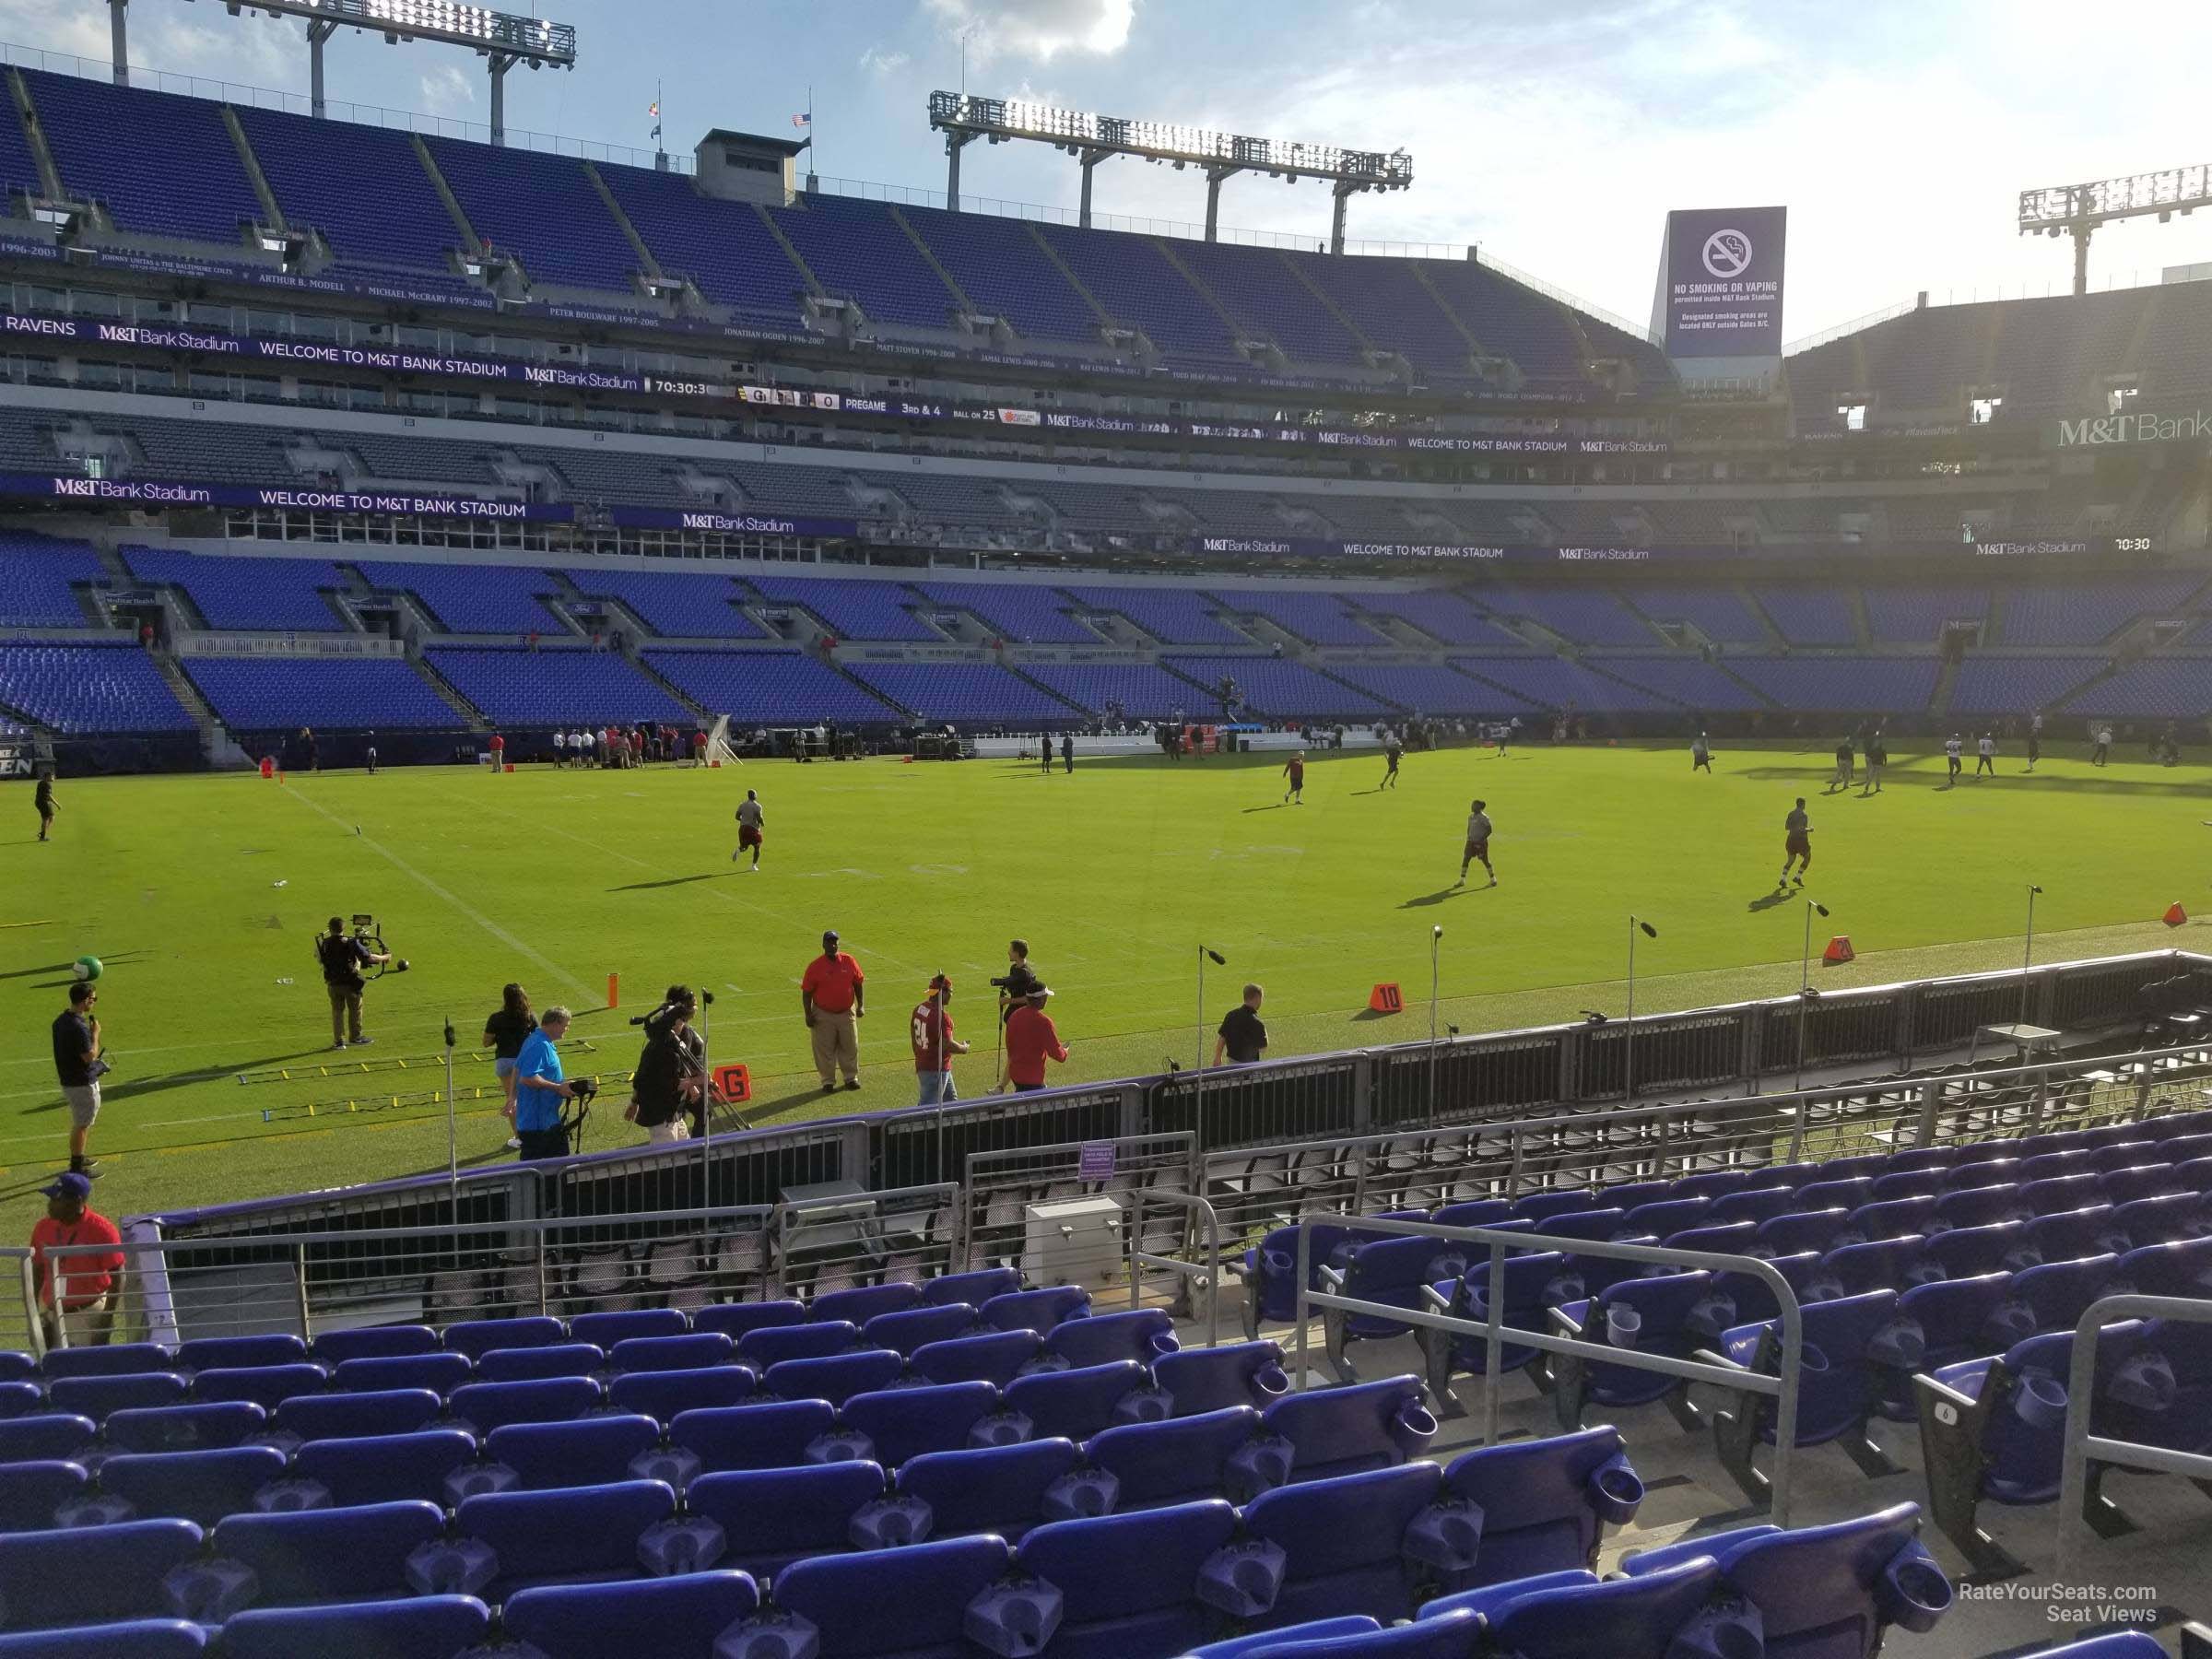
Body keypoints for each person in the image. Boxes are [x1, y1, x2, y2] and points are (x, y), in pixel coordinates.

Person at [29, 1173, 122, 1350]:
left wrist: (105, 1321)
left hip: (87, 1314)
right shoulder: (43, 1227)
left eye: (56, 1199)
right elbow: (38, 1269)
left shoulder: (102, 1229)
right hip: (52, 1314)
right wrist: (34, 1314)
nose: (49, 1205)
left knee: (85, 1372)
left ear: (76, 1202)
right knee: (53, 1372)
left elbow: (118, 1277)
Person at [629, 986, 705, 1145]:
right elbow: (667, 1084)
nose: (681, 1024)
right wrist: (694, 1082)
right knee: (667, 1162)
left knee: (684, 1153)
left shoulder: (669, 1042)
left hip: (673, 1112)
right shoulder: (664, 1049)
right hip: (661, 1114)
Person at [800, 930, 865, 1093]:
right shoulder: (815, 967)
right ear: (823, 945)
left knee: (850, 1045)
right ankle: (827, 1081)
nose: (833, 945)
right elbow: (807, 992)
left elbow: (858, 983)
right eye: (829, 942)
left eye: (835, 942)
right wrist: (808, 1014)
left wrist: (861, 1005)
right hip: (823, 1013)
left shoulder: (849, 961)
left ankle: (851, 1078)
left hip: (846, 1011)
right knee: (824, 1049)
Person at [52, 981, 102, 1178]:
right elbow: (90, 1056)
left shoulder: (60, 1020)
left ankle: (79, 1157)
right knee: (82, 1124)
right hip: (81, 1083)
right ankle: (76, 1166)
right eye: (93, 999)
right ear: (85, 1000)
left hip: (69, 1078)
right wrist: (95, 1034)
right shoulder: (78, 1027)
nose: (94, 1002)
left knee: (81, 1123)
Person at [512, 1006, 577, 1159]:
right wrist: (558, 1088)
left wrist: (511, 1097)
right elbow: (528, 1078)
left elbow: (516, 1067)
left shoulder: (536, 1040)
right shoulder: (540, 1045)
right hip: (539, 1126)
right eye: (565, 1025)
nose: (566, 1029)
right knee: (552, 1170)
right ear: (554, 1023)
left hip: (540, 1122)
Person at [315, 916, 386, 1050]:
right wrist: (385, 957)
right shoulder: (351, 942)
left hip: (333, 984)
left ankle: (338, 1042)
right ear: (343, 928)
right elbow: (369, 957)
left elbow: (320, 959)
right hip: (350, 983)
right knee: (355, 1010)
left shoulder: (323, 943)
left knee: (337, 1012)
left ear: (330, 929)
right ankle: (355, 1037)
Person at [482, 983, 536, 1153]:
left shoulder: (496, 1018)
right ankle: (534, 1133)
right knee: (529, 1098)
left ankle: (519, 1138)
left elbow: (486, 1042)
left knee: (512, 1099)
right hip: (525, 1061)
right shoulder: (529, 1017)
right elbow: (537, 1039)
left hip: (505, 1062)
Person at [912, 973, 969, 1106]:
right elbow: (947, 1044)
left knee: (952, 1102)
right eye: (951, 991)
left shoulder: (919, 1009)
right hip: (936, 1069)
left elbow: (913, 1037)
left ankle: (952, 1127)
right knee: (927, 1108)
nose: (952, 995)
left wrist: (920, 1055)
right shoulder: (942, 1017)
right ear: (943, 993)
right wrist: (963, 1048)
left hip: (926, 1064)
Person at [1004, 990, 1068, 1093]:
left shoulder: (1014, 1015)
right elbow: (1058, 1055)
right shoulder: (1044, 1022)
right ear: (1042, 999)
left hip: (1016, 1076)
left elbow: (1009, 1045)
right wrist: (1064, 1051)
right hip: (1033, 1080)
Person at [1213, 983, 1267, 1067]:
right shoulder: (1257, 1022)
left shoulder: (1231, 1015)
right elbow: (1263, 1048)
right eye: (1261, 998)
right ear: (1257, 997)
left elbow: (1222, 1038)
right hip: (1250, 1066)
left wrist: (1218, 1057)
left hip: (1232, 1065)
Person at [992, 939, 1042, 1026]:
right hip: (1014, 1012)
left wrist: (1008, 1000)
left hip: (1023, 1015)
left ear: (1017, 953)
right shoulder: (1014, 968)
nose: (1008, 952)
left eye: (1011, 950)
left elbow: (1029, 998)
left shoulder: (1025, 973)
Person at [1459, 798, 1496, 887]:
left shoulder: (1484, 817)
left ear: (1479, 807)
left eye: (1474, 805)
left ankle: (1493, 880)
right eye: (1472, 805)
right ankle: (1462, 880)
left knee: (1485, 860)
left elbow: (1489, 830)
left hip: (1480, 843)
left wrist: (1482, 839)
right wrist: (1469, 837)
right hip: (1470, 842)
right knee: (1466, 859)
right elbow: (1469, 828)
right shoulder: (1470, 817)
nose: (1472, 806)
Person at [1781, 797, 1812, 888]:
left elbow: (1786, 827)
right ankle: (1798, 877)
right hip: (1800, 841)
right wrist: (1810, 829)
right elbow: (1802, 829)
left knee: (1790, 860)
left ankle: (1783, 879)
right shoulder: (1803, 816)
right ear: (1802, 805)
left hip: (1790, 840)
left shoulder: (1791, 814)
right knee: (1807, 858)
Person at [733, 788, 765, 871]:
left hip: (743, 828)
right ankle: (753, 866)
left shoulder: (742, 805)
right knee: (757, 847)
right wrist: (762, 823)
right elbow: (759, 817)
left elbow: (737, 816)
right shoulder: (757, 806)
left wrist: (743, 821)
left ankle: (738, 850)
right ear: (755, 796)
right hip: (753, 829)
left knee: (744, 846)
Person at [1863, 727, 1887, 794]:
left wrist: (1871, 761)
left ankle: (1866, 788)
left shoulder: (1873, 749)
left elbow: (1870, 755)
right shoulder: (1882, 749)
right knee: (1878, 777)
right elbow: (1885, 756)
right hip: (1879, 764)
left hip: (1874, 763)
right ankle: (1877, 788)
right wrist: (1885, 763)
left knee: (1870, 776)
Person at [33, 766, 55, 841]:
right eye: (51, 776)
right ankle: (42, 836)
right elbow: (49, 796)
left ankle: (42, 833)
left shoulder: (40, 782)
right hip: (44, 803)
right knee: (47, 819)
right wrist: (57, 804)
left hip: (38, 802)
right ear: (47, 777)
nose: (53, 777)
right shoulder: (47, 784)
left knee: (50, 818)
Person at [1382, 725, 1403, 789]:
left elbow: (1385, 753)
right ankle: (1383, 783)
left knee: (1396, 772)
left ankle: (1391, 782)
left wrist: (1387, 759)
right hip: (1393, 763)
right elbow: (1400, 757)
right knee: (1389, 773)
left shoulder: (1391, 748)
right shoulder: (1397, 750)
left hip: (1390, 761)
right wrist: (1402, 755)